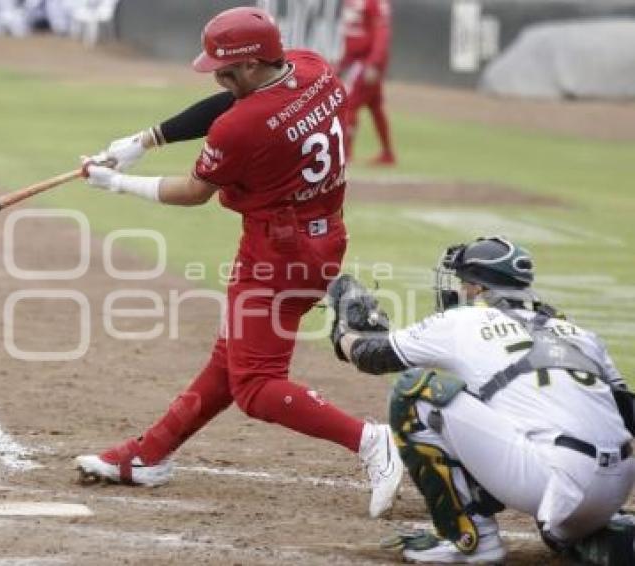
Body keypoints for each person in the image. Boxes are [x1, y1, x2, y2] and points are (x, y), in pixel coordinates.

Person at [74, 6, 404, 519]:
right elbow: (235, 104)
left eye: (227, 70)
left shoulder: (244, 128)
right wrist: (145, 140)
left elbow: (192, 191)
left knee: (255, 384)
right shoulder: (311, 67)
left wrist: (115, 182)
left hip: (275, 255)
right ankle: (148, 455)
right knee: (233, 360)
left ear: (252, 65)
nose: (220, 79)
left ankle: (370, 441)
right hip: (323, 239)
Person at [327, 235, 635, 563]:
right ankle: (590, 530)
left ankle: (471, 540)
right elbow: (626, 411)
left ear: (476, 288)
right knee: (511, 401)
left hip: (553, 482)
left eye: (462, 283)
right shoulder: (579, 333)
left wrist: (344, 332)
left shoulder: (463, 320)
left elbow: (372, 356)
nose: (458, 290)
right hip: (614, 491)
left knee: (417, 391)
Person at [336, 0, 396, 166]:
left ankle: (345, 154)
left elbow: (382, 33)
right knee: (375, 106)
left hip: (367, 62)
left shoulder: (376, 2)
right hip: (357, 60)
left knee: (349, 103)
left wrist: (374, 63)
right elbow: (352, 35)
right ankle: (388, 153)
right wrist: (343, 63)